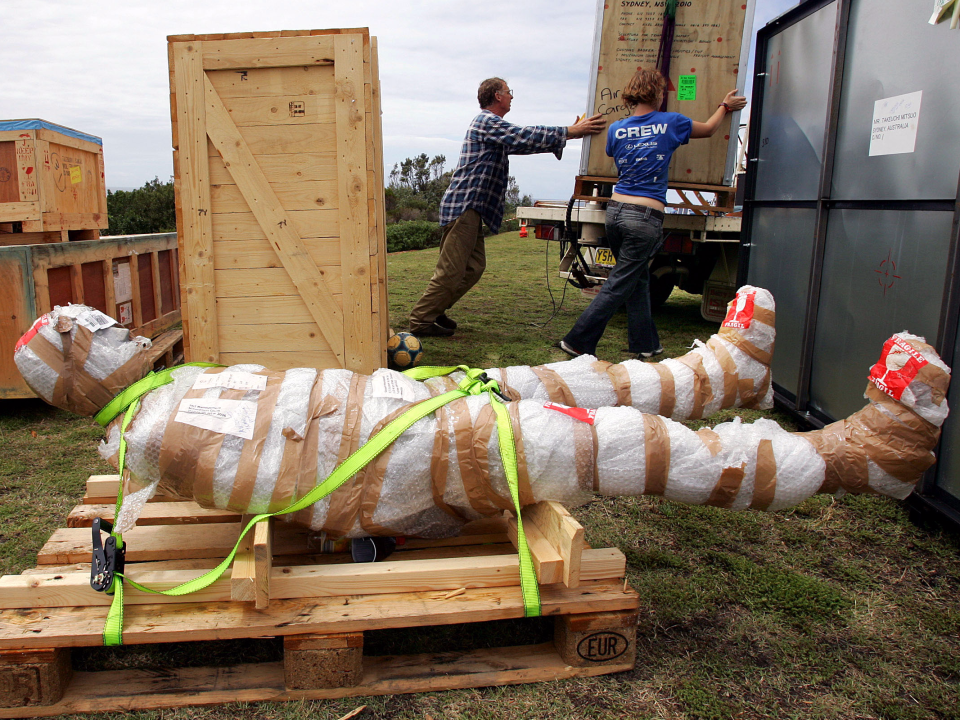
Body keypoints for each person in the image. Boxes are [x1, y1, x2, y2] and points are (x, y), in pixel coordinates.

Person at [559, 68, 747, 360]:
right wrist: (724, 106)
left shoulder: (617, 128)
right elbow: (709, 129)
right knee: (622, 281)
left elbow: (612, 154)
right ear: (658, 94)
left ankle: (645, 344)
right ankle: (578, 340)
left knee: (638, 278)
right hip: (644, 216)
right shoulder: (671, 122)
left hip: (616, 213)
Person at [409, 77, 606, 337]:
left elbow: (521, 144)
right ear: (497, 96)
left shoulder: (493, 128)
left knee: (474, 267)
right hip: (464, 206)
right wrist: (570, 131)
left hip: (471, 209)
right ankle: (421, 321)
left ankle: (435, 310)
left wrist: (565, 137)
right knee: (452, 270)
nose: (511, 96)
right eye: (508, 92)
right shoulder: (486, 122)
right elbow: (522, 134)